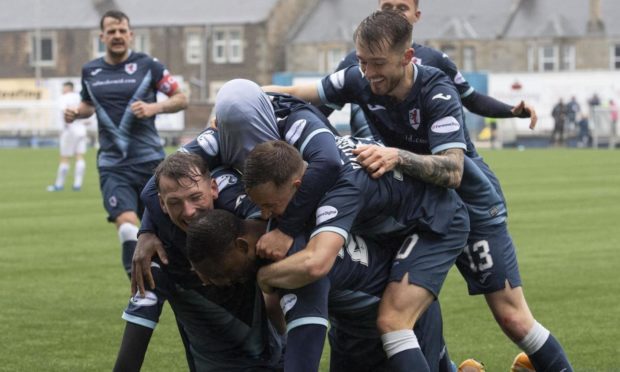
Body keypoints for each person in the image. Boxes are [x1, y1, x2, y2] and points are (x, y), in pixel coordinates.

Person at [264, 9, 573, 372]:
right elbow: (294, 93)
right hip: (416, 207)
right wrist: (241, 102)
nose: (368, 73)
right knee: (401, 310)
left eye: (377, 63)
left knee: (513, 319)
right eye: (362, 62)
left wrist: (397, 156)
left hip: (472, 208)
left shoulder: (436, 90)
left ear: (407, 57)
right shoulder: (360, 77)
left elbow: (453, 170)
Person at [243, 139, 470, 372]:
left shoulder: (341, 190)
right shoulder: (316, 157)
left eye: (270, 205)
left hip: (436, 223)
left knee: (394, 320)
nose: (265, 214)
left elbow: (315, 263)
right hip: (394, 229)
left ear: (298, 185)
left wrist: (265, 277)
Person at [186, 209, 453, 372]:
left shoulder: (296, 267)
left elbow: (303, 359)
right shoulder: (275, 221)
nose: (219, 282)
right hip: (352, 331)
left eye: (219, 273)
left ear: (242, 246)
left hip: (405, 323)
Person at [114, 152, 284, 371]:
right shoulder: (159, 259)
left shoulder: (245, 225)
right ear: (161, 204)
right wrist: (146, 231)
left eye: (196, 197)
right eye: (174, 202)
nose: (189, 211)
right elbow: (132, 347)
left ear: (213, 189)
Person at [63, 10, 188, 276]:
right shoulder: (91, 70)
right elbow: (88, 104)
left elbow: (181, 98)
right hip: (113, 164)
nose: (117, 36)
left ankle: (182, 281)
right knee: (127, 223)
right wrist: (77, 111)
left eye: (122, 31)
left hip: (151, 163)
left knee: (166, 230)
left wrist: (154, 108)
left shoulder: (149, 65)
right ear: (102, 37)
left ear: (131, 35)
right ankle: (140, 283)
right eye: (111, 31)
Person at [322, 0, 537, 139]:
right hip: (369, 168)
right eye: (387, 7)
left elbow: (471, 99)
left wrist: (511, 111)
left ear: (417, 15)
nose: (394, 13)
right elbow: (321, 110)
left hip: (416, 166)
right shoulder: (354, 61)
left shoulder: (435, 61)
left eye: (402, 8)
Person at [47, 81, 92, 192]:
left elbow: (64, 113)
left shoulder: (63, 98)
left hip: (70, 130)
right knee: (79, 156)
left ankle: (59, 185)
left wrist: (63, 128)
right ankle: (77, 184)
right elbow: (89, 115)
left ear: (67, 88)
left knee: (65, 158)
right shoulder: (80, 97)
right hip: (82, 130)